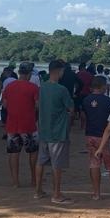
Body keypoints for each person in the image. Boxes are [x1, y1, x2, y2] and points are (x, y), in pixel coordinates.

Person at [34, 60, 75, 204]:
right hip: (58, 132)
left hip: (44, 130)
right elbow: (71, 108)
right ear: (58, 71)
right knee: (57, 165)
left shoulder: (42, 87)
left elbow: (38, 105)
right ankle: (56, 194)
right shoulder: (61, 89)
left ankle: (38, 191)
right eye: (62, 71)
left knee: (41, 161)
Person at [1, 62, 40, 188]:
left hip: (12, 124)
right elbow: (38, 105)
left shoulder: (9, 86)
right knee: (33, 152)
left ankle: (15, 182)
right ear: (29, 74)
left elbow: (5, 105)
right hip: (28, 123)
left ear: (19, 73)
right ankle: (34, 179)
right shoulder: (33, 88)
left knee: (13, 153)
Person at [83, 77, 110, 200]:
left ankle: (96, 193)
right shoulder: (109, 101)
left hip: (90, 135)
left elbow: (83, 116)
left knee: (94, 164)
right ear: (103, 87)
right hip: (105, 136)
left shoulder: (86, 100)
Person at [0, 66, 18, 140]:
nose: (3, 73)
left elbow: (5, 93)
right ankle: (13, 132)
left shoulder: (7, 80)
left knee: (5, 116)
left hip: (8, 100)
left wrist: (0, 103)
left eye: (4, 72)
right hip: (15, 100)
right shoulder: (15, 77)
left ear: (7, 72)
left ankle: (7, 133)